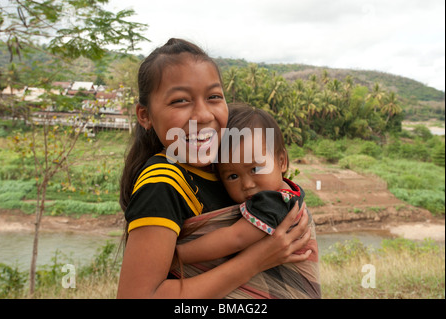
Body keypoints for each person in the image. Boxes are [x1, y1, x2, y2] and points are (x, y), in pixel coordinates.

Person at [117, 38, 312, 299]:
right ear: (145, 115)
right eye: (180, 101)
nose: (203, 115)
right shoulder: (162, 182)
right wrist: (255, 261)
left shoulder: (223, 166)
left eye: (213, 97)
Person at [173, 103, 321, 299]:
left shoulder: (273, 202)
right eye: (233, 176)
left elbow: (235, 238)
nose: (247, 184)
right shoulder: (287, 191)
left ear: (282, 161)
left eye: (255, 169)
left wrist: (176, 256)